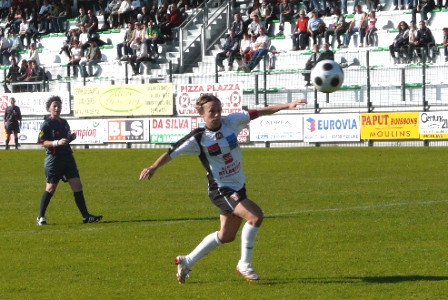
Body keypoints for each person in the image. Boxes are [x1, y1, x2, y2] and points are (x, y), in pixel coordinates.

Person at [139, 93, 307, 283]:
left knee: (226, 236)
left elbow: (260, 112)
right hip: (222, 190)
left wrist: (287, 105)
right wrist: (153, 166)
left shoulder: (232, 121)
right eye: (212, 111)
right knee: (255, 216)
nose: (217, 114)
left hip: (238, 186)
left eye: (219, 110)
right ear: (202, 114)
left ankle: (187, 261)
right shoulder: (198, 138)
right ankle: (245, 264)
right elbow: (171, 153)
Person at [36, 96, 102, 226]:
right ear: (49, 108)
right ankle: (40, 217)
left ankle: (85, 216)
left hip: (67, 157)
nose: (57, 108)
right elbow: (42, 142)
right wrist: (57, 142)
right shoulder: (47, 124)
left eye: (59, 105)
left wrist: (70, 138)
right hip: (54, 160)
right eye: (54, 106)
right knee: (50, 189)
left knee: (77, 186)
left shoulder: (64, 123)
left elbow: (64, 140)